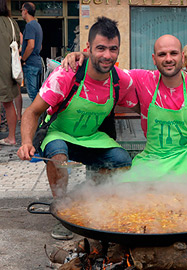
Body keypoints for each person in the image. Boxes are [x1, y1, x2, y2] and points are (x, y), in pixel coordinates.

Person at [62, 34, 187, 191]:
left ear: (182, 57)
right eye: (162, 54)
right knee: (125, 196)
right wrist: (84, 56)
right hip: (153, 158)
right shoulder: (142, 79)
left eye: (173, 53)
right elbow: (108, 68)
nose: (168, 59)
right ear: (154, 59)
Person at [17, 17, 137, 240]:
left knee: (122, 160)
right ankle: (63, 210)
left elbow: (151, 89)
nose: (107, 55)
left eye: (113, 49)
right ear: (88, 48)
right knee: (58, 153)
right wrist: (25, 142)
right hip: (60, 134)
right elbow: (31, 112)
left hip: (93, 137)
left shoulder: (121, 79)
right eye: (100, 48)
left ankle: (86, 200)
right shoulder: (66, 74)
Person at [0, 0, 21, 146]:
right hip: (9, 69)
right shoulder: (12, 22)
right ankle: (12, 137)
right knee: (8, 104)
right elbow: (17, 44)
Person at [20, 2, 43, 102]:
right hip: (37, 63)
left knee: (32, 94)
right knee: (38, 93)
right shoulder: (37, 25)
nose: (21, 13)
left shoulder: (29, 26)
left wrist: (23, 59)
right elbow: (39, 46)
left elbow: (31, 45)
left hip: (30, 64)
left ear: (25, 11)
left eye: (21, 10)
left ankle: (36, 117)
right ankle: (41, 117)